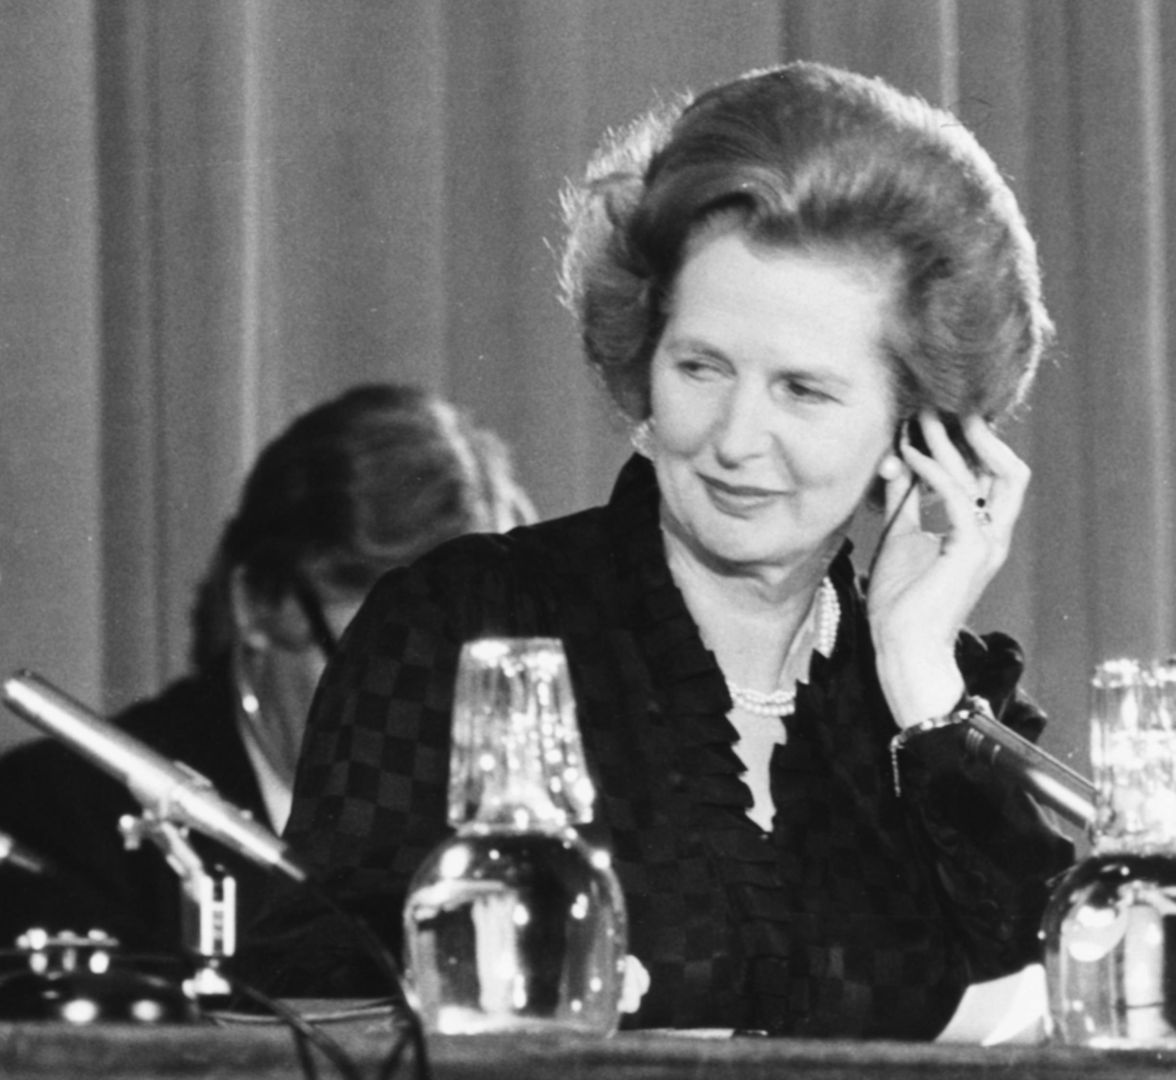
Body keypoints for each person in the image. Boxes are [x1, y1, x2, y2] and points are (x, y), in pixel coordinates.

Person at [237, 62, 1076, 1038]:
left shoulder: (952, 706)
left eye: (804, 390)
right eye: (701, 366)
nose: (733, 437)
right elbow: (313, 1024)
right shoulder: (458, 629)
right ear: (643, 355)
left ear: (921, 429)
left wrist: (915, 667)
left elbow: (1072, 1022)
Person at [0, 384, 534, 990]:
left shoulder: (507, 841)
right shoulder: (64, 818)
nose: (431, 722)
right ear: (258, 603)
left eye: (462, 681)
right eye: (390, 669)